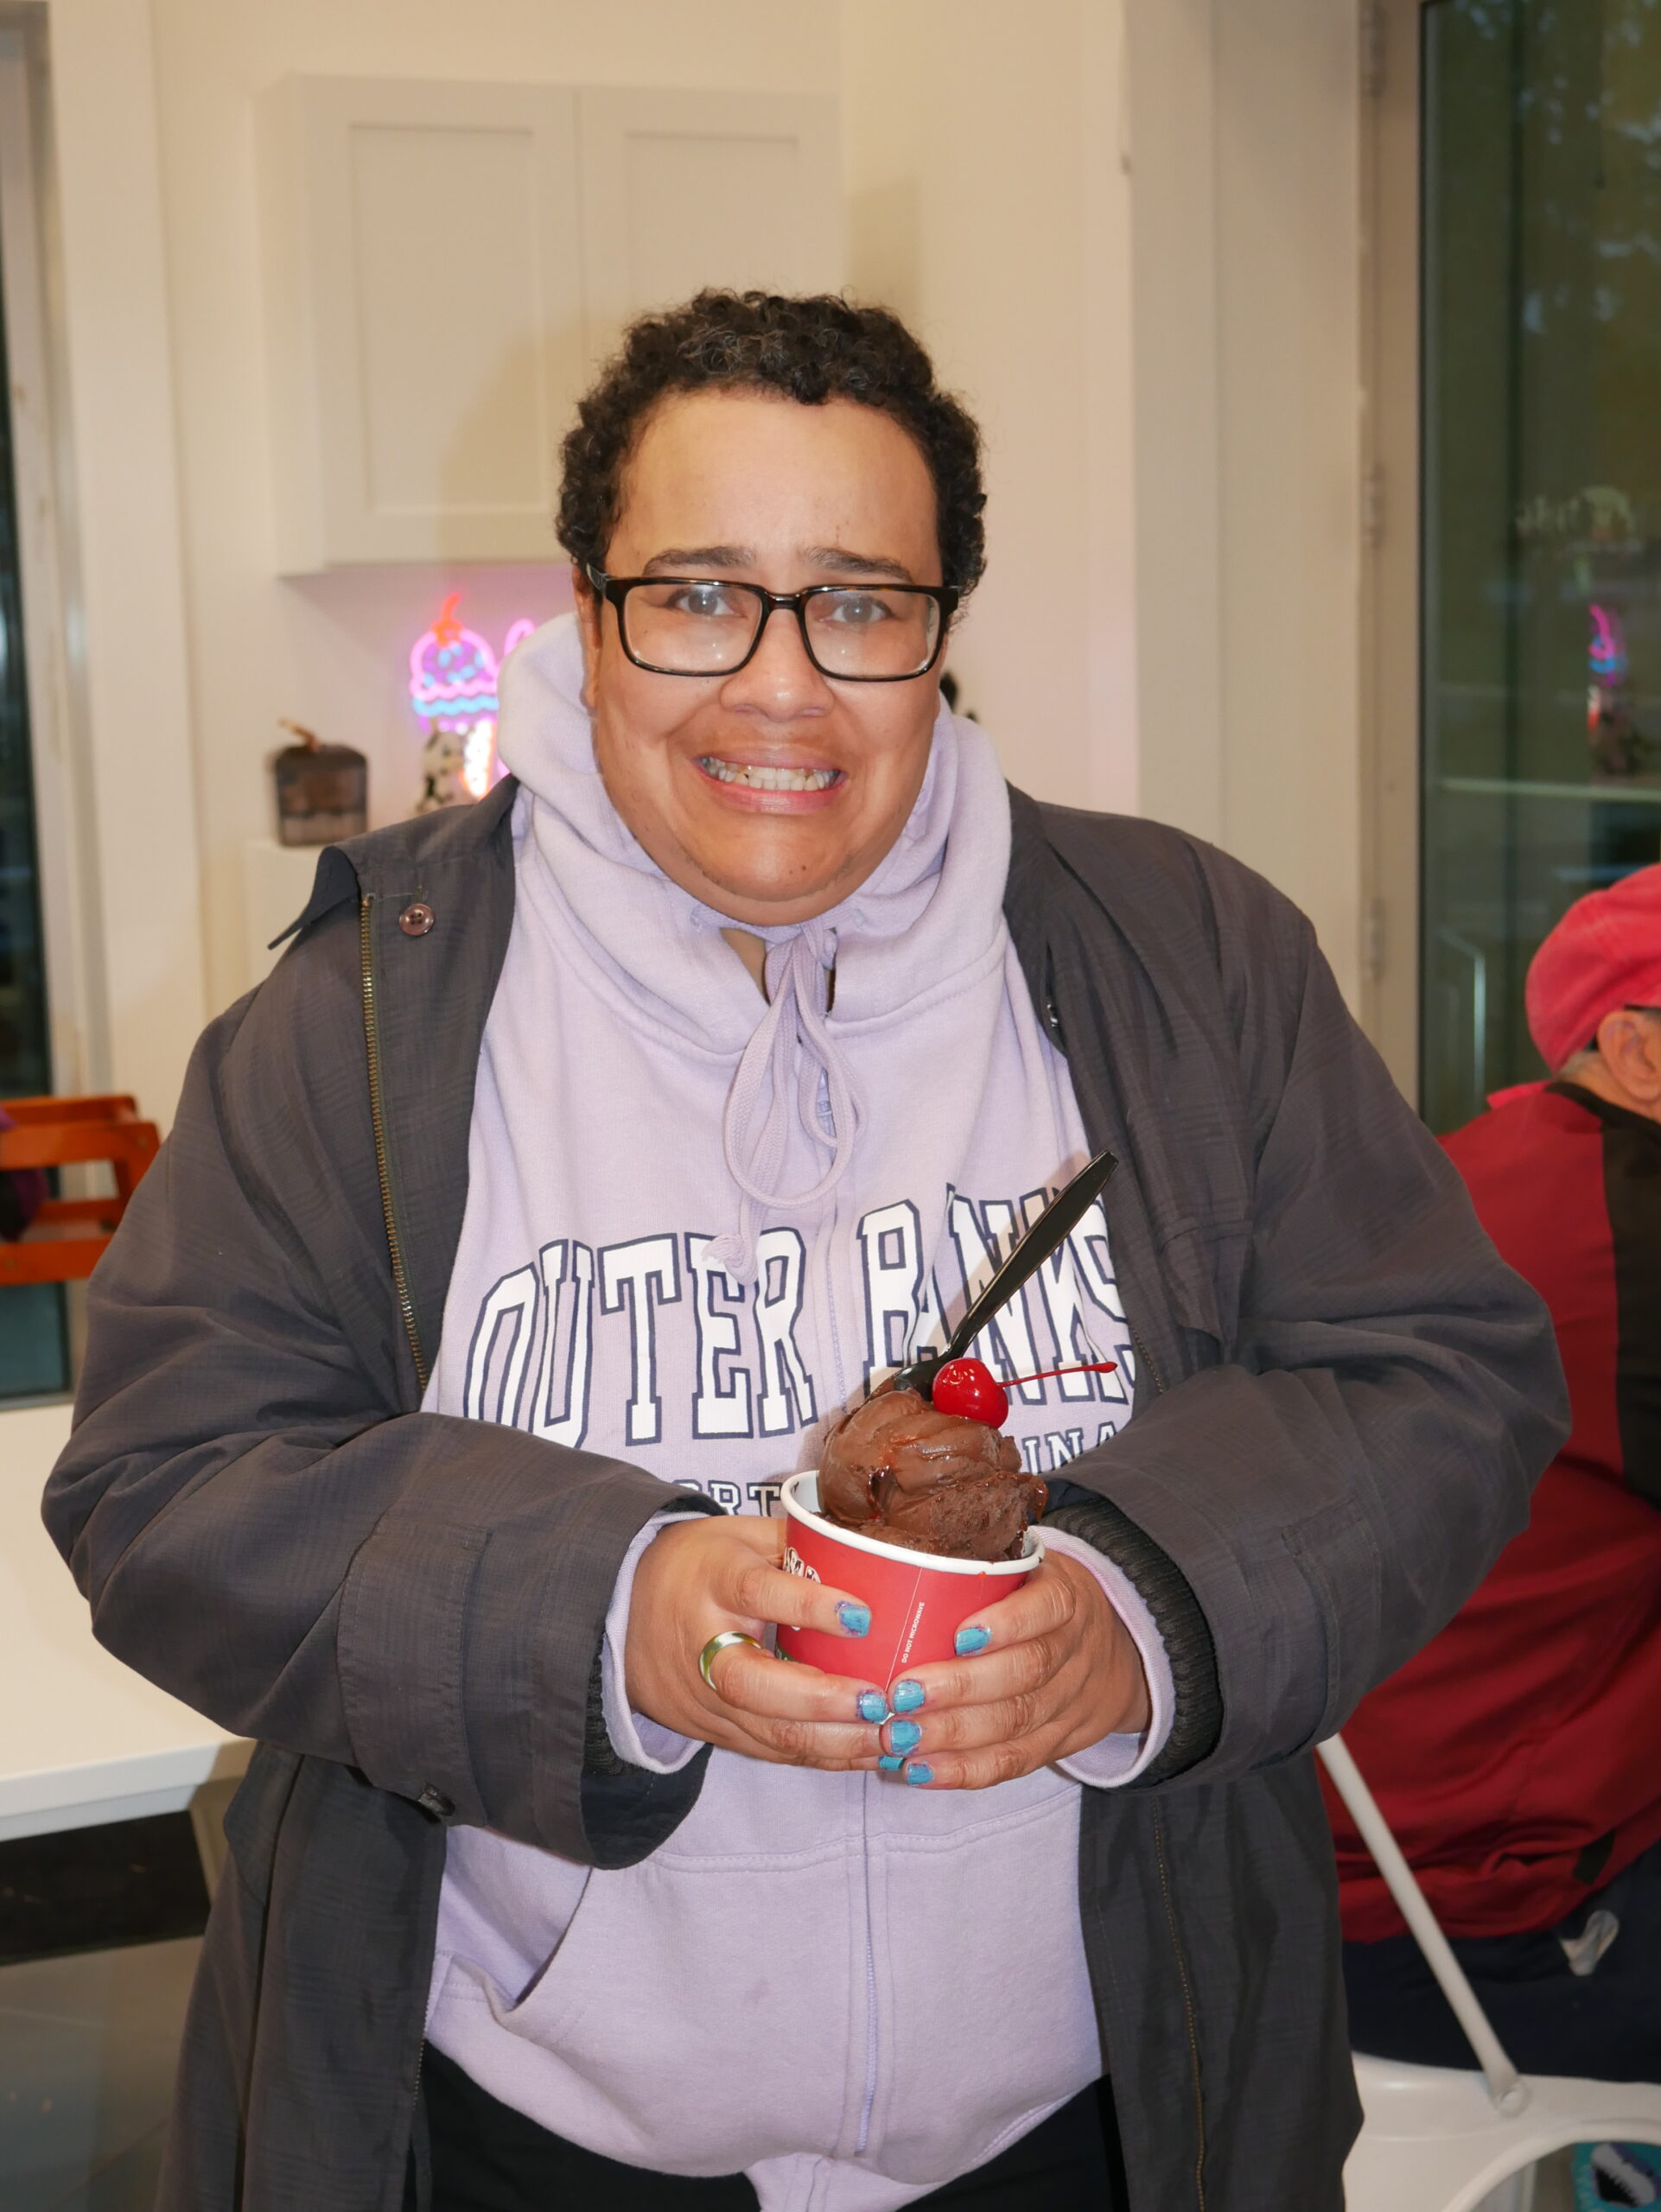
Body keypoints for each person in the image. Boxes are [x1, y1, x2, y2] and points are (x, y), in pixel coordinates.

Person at [43, 291, 1565, 2212]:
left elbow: (1435, 1372)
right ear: (591, 612)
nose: (778, 685)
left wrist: (1133, 1616)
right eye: (698, 594)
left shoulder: (1193, 956)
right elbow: (172, 1479)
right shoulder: (358, 1020)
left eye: (859, 601)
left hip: (1104, 2118)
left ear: (940, 637)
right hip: (530, 2138)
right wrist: (608, 1613)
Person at [1329, 863, 1661, 2103]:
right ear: (1634, 1049)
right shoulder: (1623, 1226)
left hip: (1353, 1870)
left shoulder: (1469, 1169)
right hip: (1480, 1921)